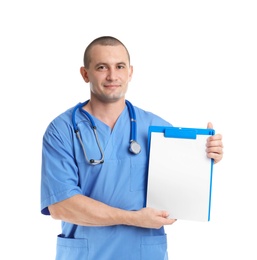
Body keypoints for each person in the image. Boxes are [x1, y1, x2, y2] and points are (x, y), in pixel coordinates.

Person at [40, 36, 223, 260]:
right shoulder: (62, 130)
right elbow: (61, 206)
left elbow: (180, 198)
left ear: (130, 72)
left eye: (119, 66)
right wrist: (133, 218)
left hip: (144, 253)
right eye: (101, 67)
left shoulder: (157, 128)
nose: (112, 76)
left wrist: (205, 157)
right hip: (87, 254)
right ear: (85, 73)